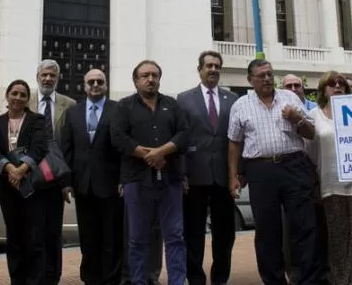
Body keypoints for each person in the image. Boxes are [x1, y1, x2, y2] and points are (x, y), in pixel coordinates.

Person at [227, 59, 319, 285]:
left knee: (303, 225)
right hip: (260, 170)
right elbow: (234, 143)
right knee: (268, 230)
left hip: (294, 166)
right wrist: (232, 176)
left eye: (270, 74)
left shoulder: (290, 98)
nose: (267, 79)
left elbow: (311, 133)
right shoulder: (241, 105)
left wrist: (297, 118)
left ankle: (306, 279)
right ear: (250, 80)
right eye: (261, 76)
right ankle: (274, 280)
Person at [112, 60, 190, 285]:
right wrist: (148, 155)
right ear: (136, 81)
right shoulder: (124, 106)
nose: (150, 79)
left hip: (170, 179)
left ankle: (177, 281)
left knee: (175, 236)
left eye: (154, 75)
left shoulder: (172, 105)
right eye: (145, 75)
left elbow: (184, 135)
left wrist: (162, 152)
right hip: (136, 180)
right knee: (137, 238)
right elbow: (117, 137)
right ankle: (139, 281)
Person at [309, 71, 352, 285]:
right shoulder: (314, 116)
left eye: (341, 84)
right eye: (332, 84)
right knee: (337, 237)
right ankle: (341, 279)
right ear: (323, 90)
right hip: (329, 184)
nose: (337, 86)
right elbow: (309, 152)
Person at [177, 51, 239, 285]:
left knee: (225, 234)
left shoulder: (232, 98)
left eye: (217, 66)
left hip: (223, 176)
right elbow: (180, 138)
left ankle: (220, 278)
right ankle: (195, 278)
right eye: (209, 66)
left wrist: (237, 173)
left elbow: (237, 139)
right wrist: (181, 172)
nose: (213, 69)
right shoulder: (183, 99)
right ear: (200, 69)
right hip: (194, 176)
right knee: (193, 233)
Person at [62, 68, 124, 285]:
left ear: (106, 84)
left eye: (100, 81)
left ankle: (112, 278)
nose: (95, 85)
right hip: (83, 185)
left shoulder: (118, 110)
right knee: (88, 237)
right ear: (84, 85)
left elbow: (123, 150)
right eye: (91, 82)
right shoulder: (73, 113)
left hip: (111, 185)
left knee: (112, 237)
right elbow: (66, 150)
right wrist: (66, 182)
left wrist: (122, 179)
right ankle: (90, 278)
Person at [0, 80, 49, 285]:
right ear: (7, 95)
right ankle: (17, 280)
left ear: (27, 99)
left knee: (34, 238)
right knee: (14, 238)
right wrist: (10, 169)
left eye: (23, 95)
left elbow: (39, 147)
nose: (18, 98)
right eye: (14, 93)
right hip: (7, 187)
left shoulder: (37, 120)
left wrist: (22, 169)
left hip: (32, 187)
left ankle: (35, 280)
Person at [30, 59, 77, 285]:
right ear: (37, 76)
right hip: (30, 174)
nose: (48, 79)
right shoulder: (23, 99)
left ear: (58, 78)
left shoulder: (69, 104)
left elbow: (71, 145)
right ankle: (35, 275)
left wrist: (67, 180)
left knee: (53, 231)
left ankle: (52, 276)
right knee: (32, 230)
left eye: (52, 75)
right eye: (44, 75)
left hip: (57, 178)